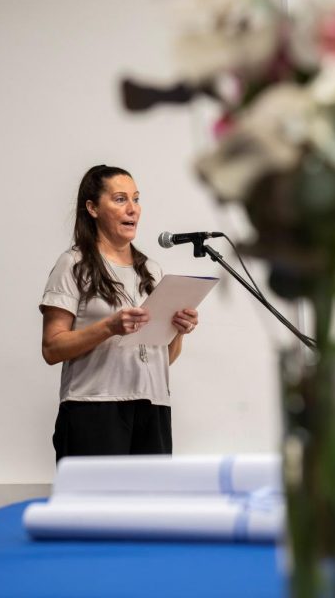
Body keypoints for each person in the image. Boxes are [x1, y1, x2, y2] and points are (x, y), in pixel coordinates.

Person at [40, 165, 198, 461]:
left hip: (153, 407)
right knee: (97, 494)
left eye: (136, 199)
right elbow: (51, 348)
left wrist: (178, 330)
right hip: (94, 408)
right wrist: (109, 327)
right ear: (93, 208)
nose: (132, 209)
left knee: (151, 494)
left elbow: (163, 358)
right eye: (120, 199)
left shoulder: (151, 270)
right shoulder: (73, 264)